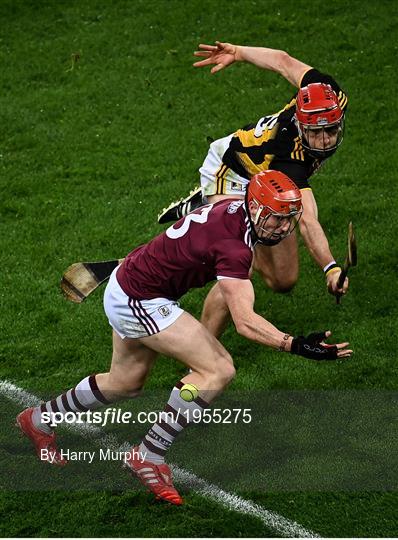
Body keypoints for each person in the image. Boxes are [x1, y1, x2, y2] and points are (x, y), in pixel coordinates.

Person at [17, 171, 352, 506]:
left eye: (288, 220)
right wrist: (295, 344)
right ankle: (148, 454)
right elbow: (246, 323)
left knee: (124, 382)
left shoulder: (234, 207)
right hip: (140, 299)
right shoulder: (235, 247)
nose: (283, 229)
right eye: (277, 219)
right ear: (256, 208)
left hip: (131, 284)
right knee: (218, 369)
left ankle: (38, 419)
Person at [158, 41, 349, 336]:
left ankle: (208, 211)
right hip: (231, 173)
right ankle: (202, 354)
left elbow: (283, 61)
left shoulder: (326, 94)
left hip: (268, 180)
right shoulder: (291, 157)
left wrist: (239, 52)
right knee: (238, 269)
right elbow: (308, 221)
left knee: (282, 281)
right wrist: (331, 268)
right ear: (301, 124)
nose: (325, 140)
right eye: (316, 132)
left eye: (331, 130)